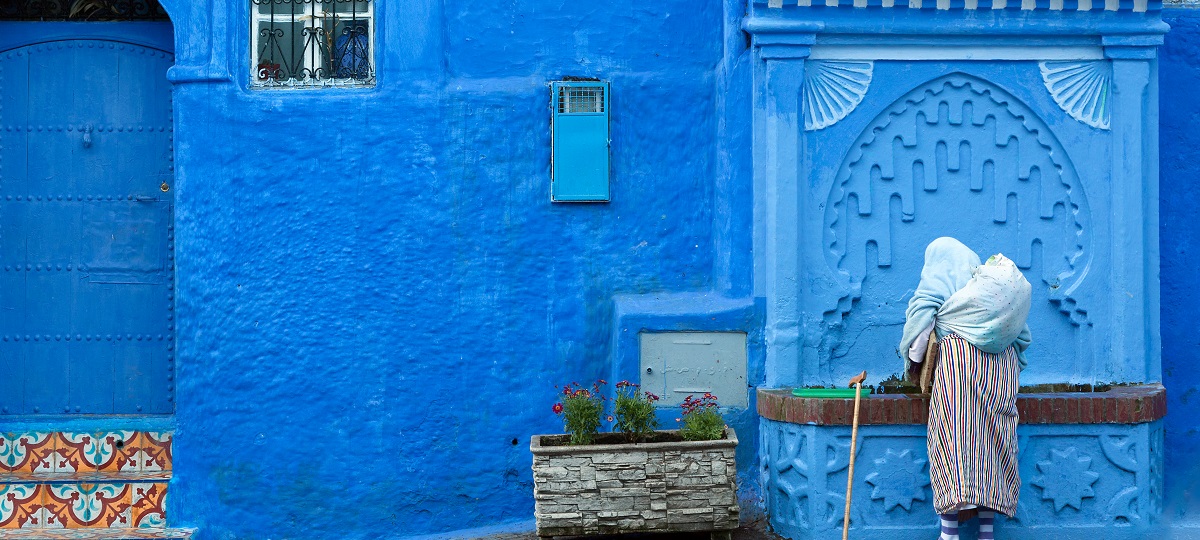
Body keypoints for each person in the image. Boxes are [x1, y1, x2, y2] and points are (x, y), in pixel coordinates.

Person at [898, 237, 1032, 540]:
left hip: (958, 369)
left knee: (953, 444)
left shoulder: (942, 291)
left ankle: (949, 533)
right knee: (993, 449)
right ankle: (986, 533)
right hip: (1002, 371)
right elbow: (1022, 339)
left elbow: (918, 344)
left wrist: (913, 363)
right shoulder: (986, 298)